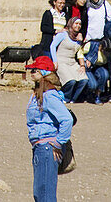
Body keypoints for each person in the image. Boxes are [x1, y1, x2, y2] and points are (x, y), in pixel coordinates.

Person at [25, 56, 74, 202]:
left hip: (47, 148)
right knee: (40, 193)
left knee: (45, 194)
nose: (31, 72)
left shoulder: (49, 95)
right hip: (40, 147)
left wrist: (58, 143)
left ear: (44, 72)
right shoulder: (40, 93)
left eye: (34, 70)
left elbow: (67, 119)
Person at [50, 17, 91, 103]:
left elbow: (79, 52)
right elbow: (52, 46)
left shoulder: (78, 38)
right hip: (61, 61)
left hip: (72, 62)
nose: (78, 26)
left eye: (80, 24)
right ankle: (65, 97)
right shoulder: (63, 34)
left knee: (84, 79)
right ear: (71, 24)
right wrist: (54, 61)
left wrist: (85, 60)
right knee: (70, 81)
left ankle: (73, 99)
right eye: (76, 23)